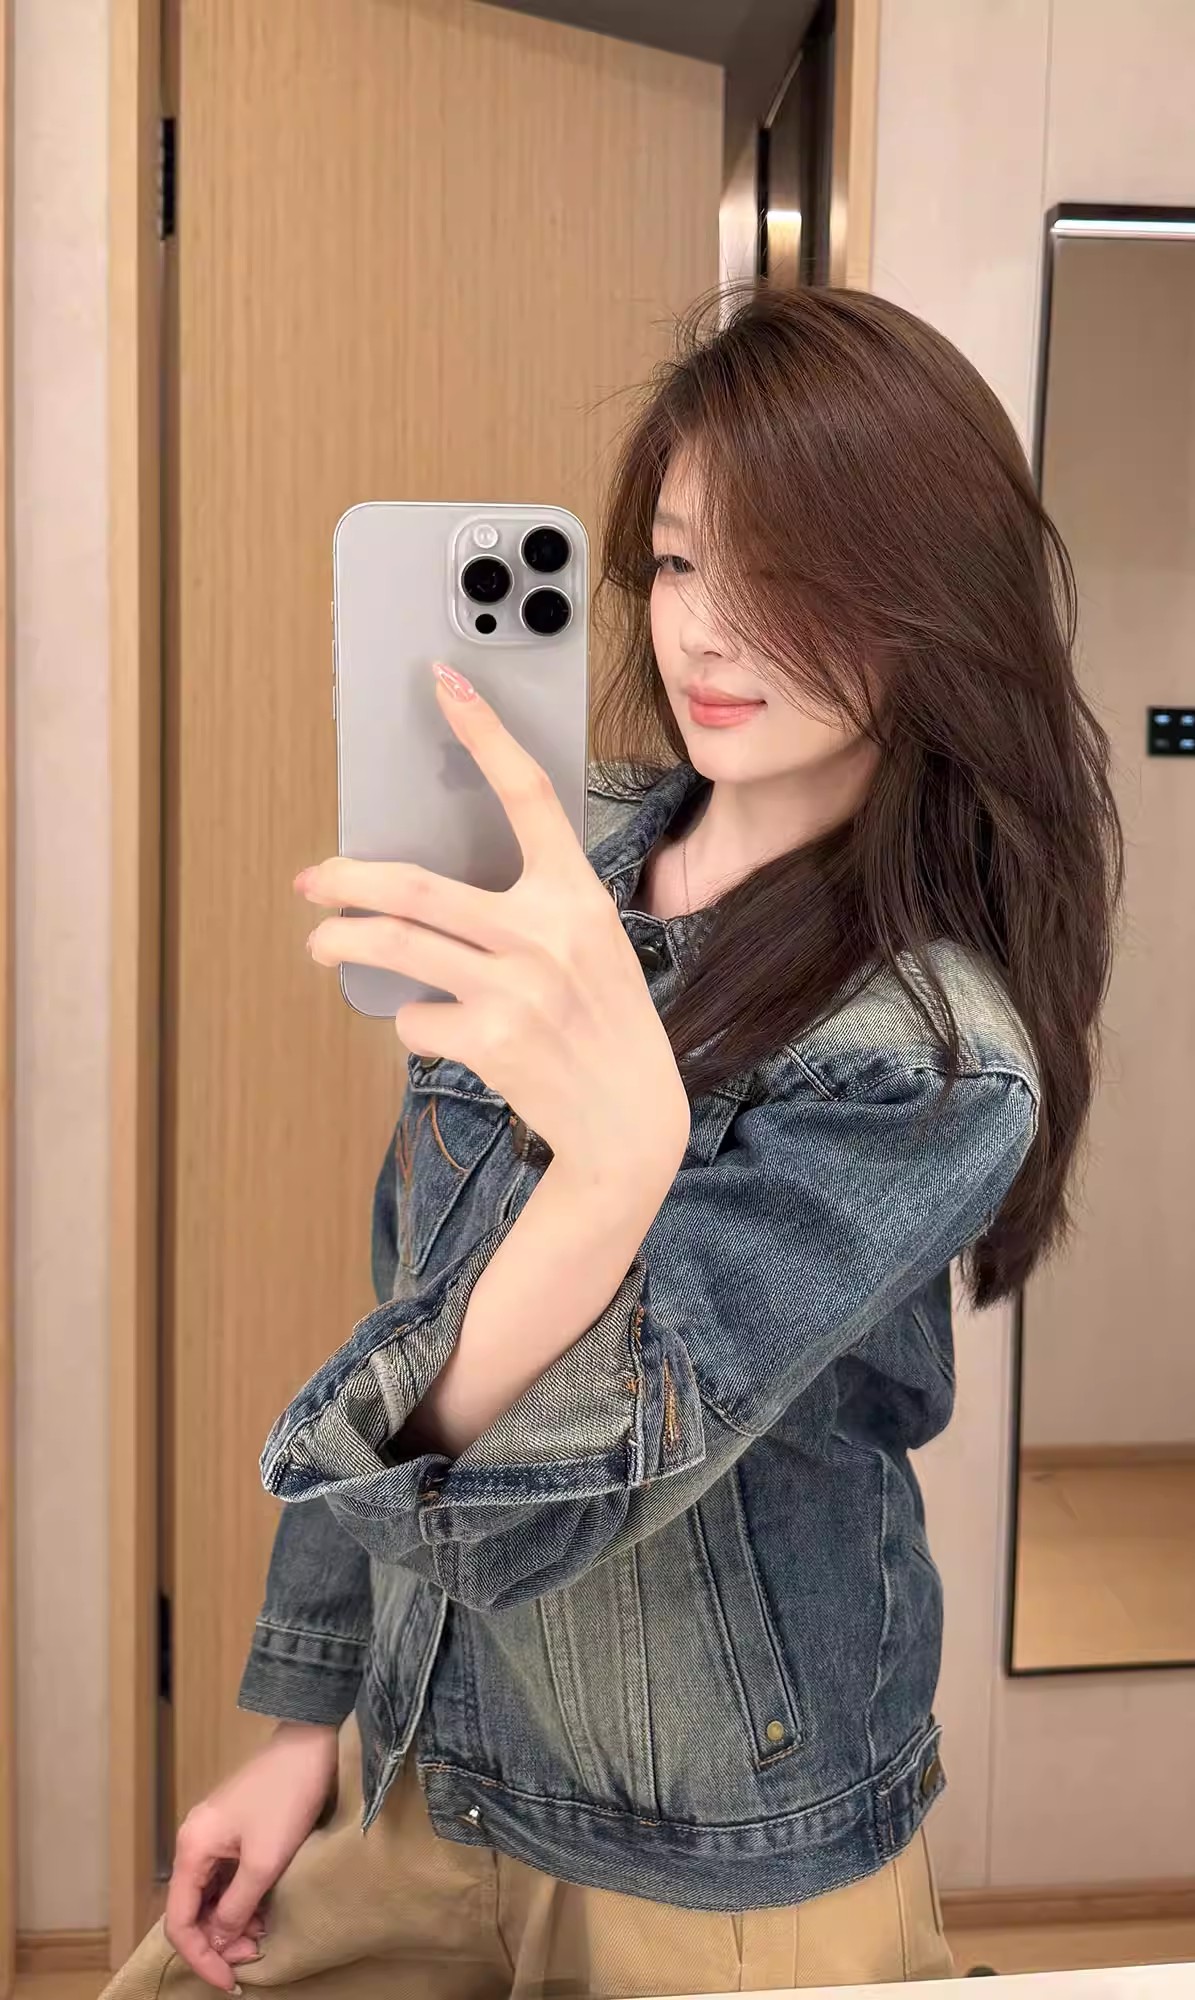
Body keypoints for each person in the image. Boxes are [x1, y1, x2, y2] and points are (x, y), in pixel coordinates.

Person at [104, 283, 1120, 1999]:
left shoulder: (933, 1059)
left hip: (716, 1854)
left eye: (787, 577)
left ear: (932, 602)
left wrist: (621, 1156)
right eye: (676, 561)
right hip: (425, 1762)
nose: (706, 634)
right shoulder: (561, 863)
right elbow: (409, 1321)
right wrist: (300, 1713)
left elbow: (539, 1510)